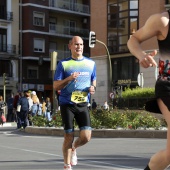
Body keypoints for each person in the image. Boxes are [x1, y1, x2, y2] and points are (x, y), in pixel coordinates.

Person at [127, 7, 170, 170]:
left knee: (169, 155)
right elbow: (134, 39)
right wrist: (141, 55)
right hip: (168, 87)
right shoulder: (162, 21)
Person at [53, 36, 96, 170]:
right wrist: (69, 78)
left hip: (83, 103)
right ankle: (67, 165)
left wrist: (93, 88)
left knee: (86, 136)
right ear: (70, 46)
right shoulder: (63, 64)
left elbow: (93, 80)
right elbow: (56, 86)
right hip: (67, 104)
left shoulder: (91, 64)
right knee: (68, 136)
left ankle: (74, 148)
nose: (79, 47)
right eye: (76, 44)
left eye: (81, 44)